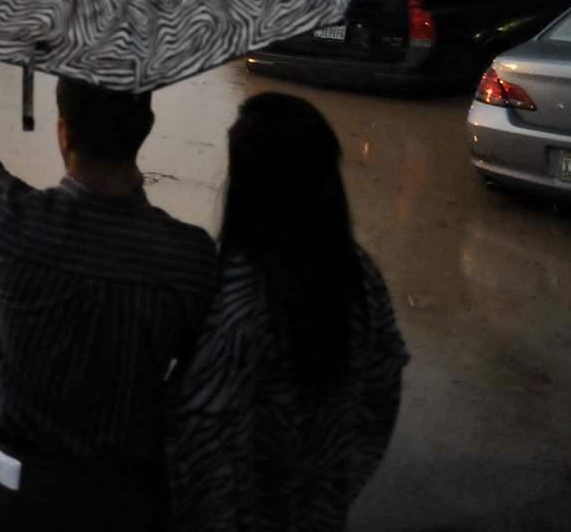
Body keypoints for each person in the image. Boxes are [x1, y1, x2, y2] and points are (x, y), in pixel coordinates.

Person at [0, 68, 220, 532]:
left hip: (15, 486)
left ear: (62, 130)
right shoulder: (188, 255)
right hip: (129, 497)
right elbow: (200, 380)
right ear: (146, 128)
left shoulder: (13, 219)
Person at [166, 92, 408, 532]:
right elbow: (385, 382)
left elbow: (200, 442)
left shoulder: (240, 303)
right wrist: (336, 480)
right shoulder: (358, 276)